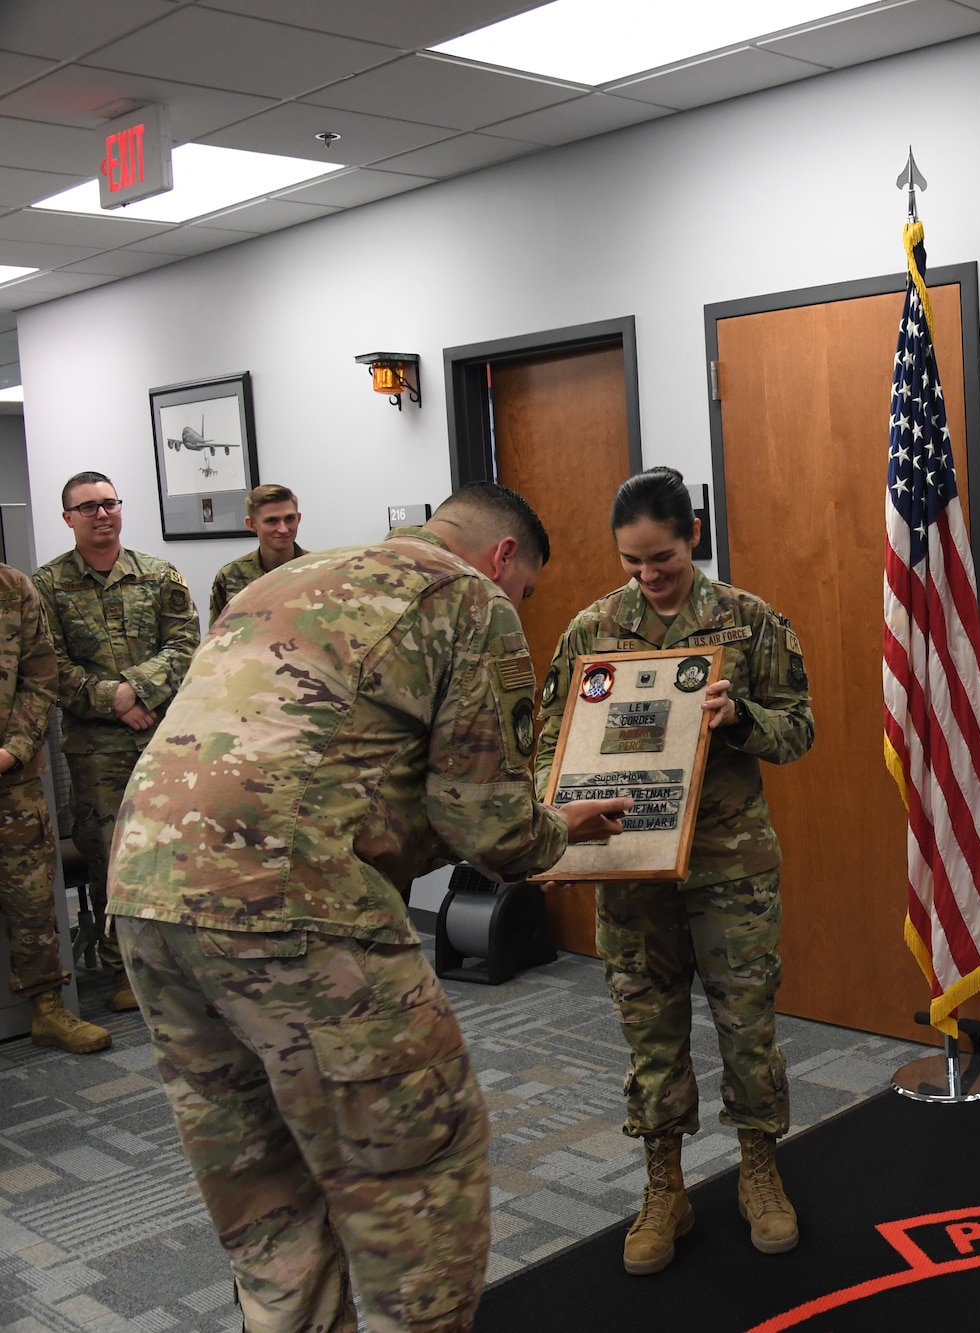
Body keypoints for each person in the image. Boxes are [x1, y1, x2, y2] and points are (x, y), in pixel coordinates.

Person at [106, 484, 631, 1333]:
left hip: (145, 894)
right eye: (526, 589)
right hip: (294, 908)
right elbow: (484, 821)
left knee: (264, 1196)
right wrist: (549, 837)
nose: (518, 606)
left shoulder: (284, 580)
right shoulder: (468, 598)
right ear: (503, 558)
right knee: (416, 1185)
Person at [533, 465, 814, 1276]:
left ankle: (760, 1172)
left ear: (693, 535)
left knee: (747, 1026)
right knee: (649, 1033)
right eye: (631, 562)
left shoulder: (749, 621)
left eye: (662, 558)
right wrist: (547, 841)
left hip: (730, 867)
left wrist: (739, 719)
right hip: (630, 866)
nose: (648, 576)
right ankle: (665, 1188)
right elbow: (552, 750)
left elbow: (800, 733)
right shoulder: (592, 631)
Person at [32, 471, 198, 1011]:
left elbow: (185, 641)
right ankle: (124, 969)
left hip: (163, 737)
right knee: (111, 858)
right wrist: (113, 701)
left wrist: (139, 690)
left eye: (110, 504)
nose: (102, 515)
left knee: (173, 849)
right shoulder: (47, 585)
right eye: (89, 508)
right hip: (96, 748)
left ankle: (184, 962)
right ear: (68, 519)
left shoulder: (158, 573)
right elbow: (48, 666)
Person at [0, 560, 110, 1053]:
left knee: (32, 899)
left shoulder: (12, 586)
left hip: (13, 775)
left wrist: (13, 748)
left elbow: (40, 675)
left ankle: (47, 1009)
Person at [208, 482, 308, 621]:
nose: (283, 529)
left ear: (298, 519)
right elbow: (216, 637)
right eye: (272, 521)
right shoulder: (230, 576)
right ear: (251, 524)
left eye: (289, 519)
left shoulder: (320, 570)